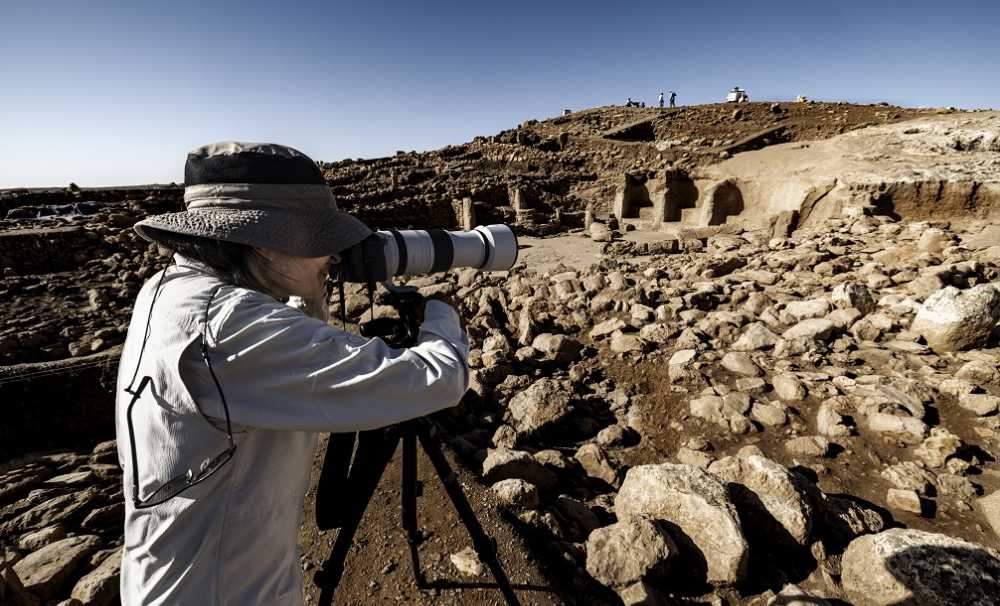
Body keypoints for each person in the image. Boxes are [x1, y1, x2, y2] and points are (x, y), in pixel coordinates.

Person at [115, 141, 469, 605]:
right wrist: (442, 315)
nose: (333, 257)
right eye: (318, 241)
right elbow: (438, 378)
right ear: (261, 240)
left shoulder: (170, 291)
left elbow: (285, 341)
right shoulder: (230, 328)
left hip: (174, 580)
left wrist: (309, 288)